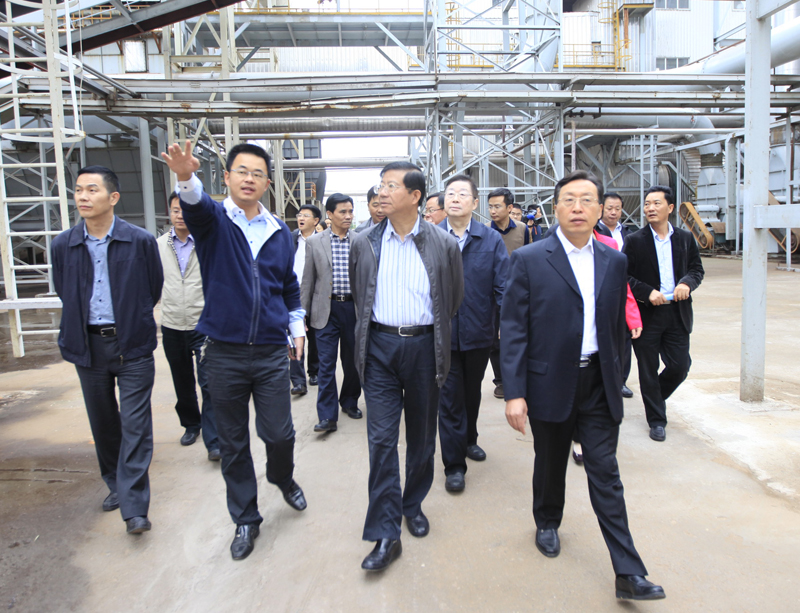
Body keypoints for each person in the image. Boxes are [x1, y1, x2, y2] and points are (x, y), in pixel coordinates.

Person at [501, 170, 665, 601]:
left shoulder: (614, 260)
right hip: (550, 380)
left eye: (587, 200)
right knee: (550, 461)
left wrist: (617, 372)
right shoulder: (530, 259)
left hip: (597, 382)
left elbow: (614, 324)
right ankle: (547, 521)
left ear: (600, 209)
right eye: (569, 199)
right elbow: (514, 329)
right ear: (556, 207)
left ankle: (628, 572)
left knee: (605, 473)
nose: (578, 207)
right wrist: (515, 392)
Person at [161, 140, 307, 561]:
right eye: (241, 171)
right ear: (226, 177)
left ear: (267, 183)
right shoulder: (213, 222)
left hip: (270, 352)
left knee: (279, 434)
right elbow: (194, 204)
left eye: (258, 173)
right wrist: (185, 175)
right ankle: (245, 517)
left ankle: (282, 477)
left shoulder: (279, 232)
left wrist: (296, 326)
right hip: (223, 353)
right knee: (233, 442)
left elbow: (288, 285)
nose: (249, 179)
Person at [349, 162, 463, 572]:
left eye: (391, 186)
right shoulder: (364, 242)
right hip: (379, 348)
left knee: (421, 438)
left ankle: (411, 504)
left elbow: (452, 300)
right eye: (381, 185)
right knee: (381, 441)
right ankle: (385, 532)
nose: (382, 192)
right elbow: (360, 295)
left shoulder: (443, 244)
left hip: (423, 349)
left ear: (415, 197)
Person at [51, 165, 162, 535]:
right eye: (79, 190)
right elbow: (64, 289)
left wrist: (131, 318)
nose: (83, 197)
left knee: (135, 424)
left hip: (132, 344)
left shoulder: (139, 241)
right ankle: (116, 483)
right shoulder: (63, 245)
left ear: (113, 197)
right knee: (103, 422)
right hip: (88, 345)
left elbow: (153, 288)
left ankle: (134, 507)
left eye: (92, 190)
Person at [437, 174, 508, 492]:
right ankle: (454, 465)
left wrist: (507, 324)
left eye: (462, 194)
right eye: (450, 193)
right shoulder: (430, 237)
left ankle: (469, 439)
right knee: (450, 397)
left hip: (479, 331)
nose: (455, 198)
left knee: (471, 392)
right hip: (442, 335)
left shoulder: (490, 240)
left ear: (475, 202)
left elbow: (503, 285)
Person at [624, 185, 704, 442]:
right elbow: (624, 276)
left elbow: (696, 269)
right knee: (648, 370)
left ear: (670, 208)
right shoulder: (635, 240)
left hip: (677, 312)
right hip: (647, 314)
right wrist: (647, 292)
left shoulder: (685, 238)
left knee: (680, 366)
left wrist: (686, 284)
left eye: (656, 203)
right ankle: (657, 420)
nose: (650, 208)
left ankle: (655, 399)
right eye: (647, 204)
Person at [158, 193, 220, 461]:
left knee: (209, 382)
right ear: (169, 213)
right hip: (172, 323)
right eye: (175, 210)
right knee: (182, 381)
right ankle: (191, 425)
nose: (180, 215)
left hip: (202, 323)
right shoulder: (158, 245)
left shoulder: (208, 243)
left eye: (185, 210)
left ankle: (214, 441)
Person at [302, 193, 362, 433]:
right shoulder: (314, 242)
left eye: (350, 211)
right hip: (325, 311)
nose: (348, 216)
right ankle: (327, 416)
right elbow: (308, 280)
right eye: (343, 212)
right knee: (326, 364)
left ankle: (349, 401)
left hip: (352, 309)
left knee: (352, 362)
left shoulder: (360, 240)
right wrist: (303, 314)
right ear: (329, 214)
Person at [486, 187, 529, 400]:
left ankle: (520, 377)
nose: (493, 211)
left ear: (509, 207)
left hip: (518, 290)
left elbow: (530, 255)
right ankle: (501, 380)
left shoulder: (522, 229)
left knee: (519, 334)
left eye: (497, 206)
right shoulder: (485, 231)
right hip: (492, 293)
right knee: (494, 339)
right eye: (490, 206)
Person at [597, 193, 635, 398]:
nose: (613, 212)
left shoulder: (629, 234)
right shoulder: (596, 232)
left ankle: (621, 381)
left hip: (624, 290)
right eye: (609, 208)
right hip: (604, 292)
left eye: (617, 209)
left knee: (624, 339)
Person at [290, 204, 322, 395]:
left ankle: (314, 372)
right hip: (293, 294)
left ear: (316, 221)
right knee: (294, 335)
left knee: (315, 337)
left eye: (306, 215)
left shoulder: (321, 241)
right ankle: (297, 381)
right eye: (299, 215)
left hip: (314, 295)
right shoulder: (290, 239)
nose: (301, 218)